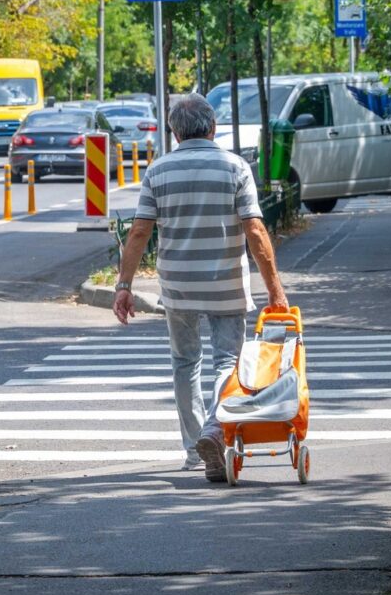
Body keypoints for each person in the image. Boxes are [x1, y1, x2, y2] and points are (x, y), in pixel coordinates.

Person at [112, 93, 289, 481]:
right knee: (227, 361)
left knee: (184, 363)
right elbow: (255, 230)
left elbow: (140, 231)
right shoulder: (234, 167)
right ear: (211, 127)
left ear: (174, 132)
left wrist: (123, 285)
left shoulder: (158, 171)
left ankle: (196, 449)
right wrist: (275, 290)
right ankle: (215, 429)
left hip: (177, 286)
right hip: (226, 282)